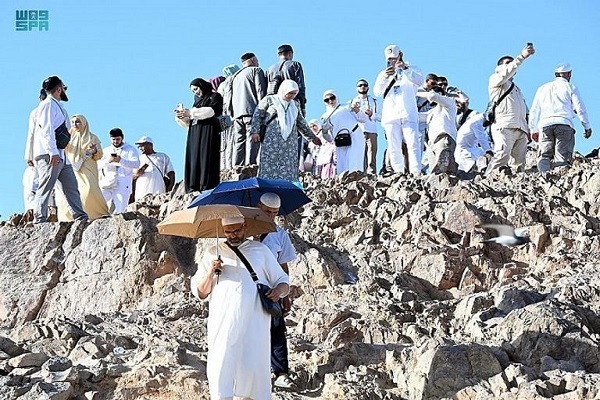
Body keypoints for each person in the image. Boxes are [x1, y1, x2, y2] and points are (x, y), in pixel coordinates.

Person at [190, 216, 290, 400]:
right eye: (228, 232)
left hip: (255, 320)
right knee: (222, 359)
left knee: (253, 362)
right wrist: (212, 272)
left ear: (245, 226)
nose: (232, 235)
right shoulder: (212, 253)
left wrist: (278, 292)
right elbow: (201, 292)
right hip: (223, 320)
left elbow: (283, 281)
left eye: (236, 231)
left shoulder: (260, 250)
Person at [31, 76, 88, 223]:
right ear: (58, 89)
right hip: (49, 155)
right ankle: (39, 219)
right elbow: (46, 129)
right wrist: (52, 152)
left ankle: (80, 217)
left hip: (61, 154)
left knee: (71, 186)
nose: (64, 91)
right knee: (46, 186)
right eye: (63, 88)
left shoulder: (57, 105)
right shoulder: (48, 105)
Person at [254, 193, 296, 389]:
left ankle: (281, 372)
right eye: (267, 211)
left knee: (276, 330)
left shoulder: (280, 234)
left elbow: (283, 266)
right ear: (258, 207)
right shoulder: (243, 230)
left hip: (272, 289)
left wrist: (285, 294)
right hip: (247, 289)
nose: (270, 216)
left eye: (274, 213)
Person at [249, 80, 320, 182]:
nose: (292, 96)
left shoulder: (295, 105)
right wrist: (255, 131)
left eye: (294, 93)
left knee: (288, 167)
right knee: (269, 165)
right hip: (272, 140)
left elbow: (301, 123)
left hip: (289, 143)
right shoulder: (270, 100)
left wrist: (312, 137)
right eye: (290, 93)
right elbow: (258, 115)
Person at [529, 63, 592, 174]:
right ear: (568, 74)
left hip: (545, 125)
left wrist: (533, 130)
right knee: (562, 156)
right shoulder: (570, 87)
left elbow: (534, 111)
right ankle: (558, 180)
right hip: (564, 124)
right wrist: (587, 127)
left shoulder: (542, 88)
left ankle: (544, 175)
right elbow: (580, 108)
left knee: (544, 155)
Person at [485, 43, 535, 176]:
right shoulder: (495, 79)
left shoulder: (516, 88)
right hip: (504, 125)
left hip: (521, 129)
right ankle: (487, 179)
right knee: (502, 155)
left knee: (519, 163)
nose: (511, 65)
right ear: (500, 66)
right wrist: (522, 56)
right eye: (508, 63)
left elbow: (526, 111)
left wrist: (529, 129)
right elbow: (506, 72)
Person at [373, 45, 424, 175]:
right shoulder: (383, 74)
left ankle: (416, 171)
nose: (393, 61)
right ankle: (398, 171)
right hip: (390, 114)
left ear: (400, 56)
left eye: (394, 58)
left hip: (408, 112)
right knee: (394, 145)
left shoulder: (412, 69)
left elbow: (420, 81)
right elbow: (377, 92)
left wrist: (405, 69)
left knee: (413, 143)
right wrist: (385, 76)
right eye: (390, 59)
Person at [175, 78, 223, 193]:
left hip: (208, 131)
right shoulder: (196, 103)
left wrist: (191, 113)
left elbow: (211, 111)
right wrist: (182, 116)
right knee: (194, 157)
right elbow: (188, 122)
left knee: (206, 156)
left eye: (196, 89)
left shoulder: (214, 97)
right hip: (195, 133)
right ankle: (193, 186)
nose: (196, 92)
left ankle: (206, 185)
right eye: (193, 91)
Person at [58, 114, 108, 220]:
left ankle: (97, 214)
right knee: (71, 192)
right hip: (71, 167)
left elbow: (99, 155)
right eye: (73, 122)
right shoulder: (68, 136)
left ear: (83, 123)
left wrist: (94, 151)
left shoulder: (92, 137)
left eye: (77, 122)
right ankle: (71, 217)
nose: (75, 124)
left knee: (90, 189)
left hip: (88, 168)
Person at [231, 52, 267, 166]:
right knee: (253, 136)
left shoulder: (235, 76)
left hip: (237, 113)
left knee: (239, 140)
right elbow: (260, 91)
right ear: (252, 60)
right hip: (251, 110)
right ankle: (250, 164)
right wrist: (264, 111)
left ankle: (237, 165)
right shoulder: (256, 71)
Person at [321, 90, 368, 174]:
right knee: (342, 165)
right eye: (327, 100)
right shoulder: (325, 117)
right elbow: (325, 134)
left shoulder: (347, 106)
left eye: (332, 98)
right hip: (340, 141)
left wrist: (357, 111)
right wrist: (331, 139)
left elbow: (363, 119)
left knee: (354, 161)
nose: (330, 101)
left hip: (354, 136)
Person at [416, 85, 458, 174]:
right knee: (434, 173)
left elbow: (432, 96)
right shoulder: (431, 112)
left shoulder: (449, 103)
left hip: (443, 138)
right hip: (431, 144)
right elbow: (416, 117)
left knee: (445, 169)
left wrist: (415, 92)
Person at [98, 128, 140, 213]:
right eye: (113, 139)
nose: (116, 141)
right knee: (99, 202)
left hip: (123, 183)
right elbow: (98, 165)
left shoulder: (130, 149)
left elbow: (136, 164)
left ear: (122, 138)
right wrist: (108, 161)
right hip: (107, 183)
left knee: (121, 209)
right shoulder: (106, 150)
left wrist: (121, 161)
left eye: (118, 139)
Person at [454, 92, 492, 178]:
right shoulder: (477, 121)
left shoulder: (477, 118)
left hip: (472, 147)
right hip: (464, 150)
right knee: (469, 171)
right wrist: (488, 151)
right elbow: (481, 137)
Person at [350, 79, 381, 174]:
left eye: (365, 85)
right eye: (360, 85)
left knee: (371, 153)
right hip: (358, 131)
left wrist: (372, 114)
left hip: (371, 130)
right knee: (359, 154)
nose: (362, 86)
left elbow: (381, 116)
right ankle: (360, 172)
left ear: (368, 87)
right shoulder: (352, 102)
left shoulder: (374, 101)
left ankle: (371, 173)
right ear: (356, 88)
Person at [266, 44, 307, 116]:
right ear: (290, 54)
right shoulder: (295, 65)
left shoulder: (269, 70)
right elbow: (300, 86)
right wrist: (302, 106)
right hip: (292, 103)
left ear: (279, 55)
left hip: (275, 105)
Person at [133, 136, 175, 201]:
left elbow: (171, 172)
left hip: (159, 190)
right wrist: (137, 174)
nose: (140, 148)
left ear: (150, 145)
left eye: (142, 146)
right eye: (139, 147)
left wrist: (170, 187)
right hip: (142, 191)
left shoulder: (162, 156)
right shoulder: (138, 159)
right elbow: (131, 176)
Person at [218, 64, 241, 170]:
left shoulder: (222, 85)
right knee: (234, 140)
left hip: (223, 117)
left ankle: (225, 167)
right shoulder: (236, 81)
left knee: (225, 142)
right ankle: (232, 165)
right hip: (234, 114)